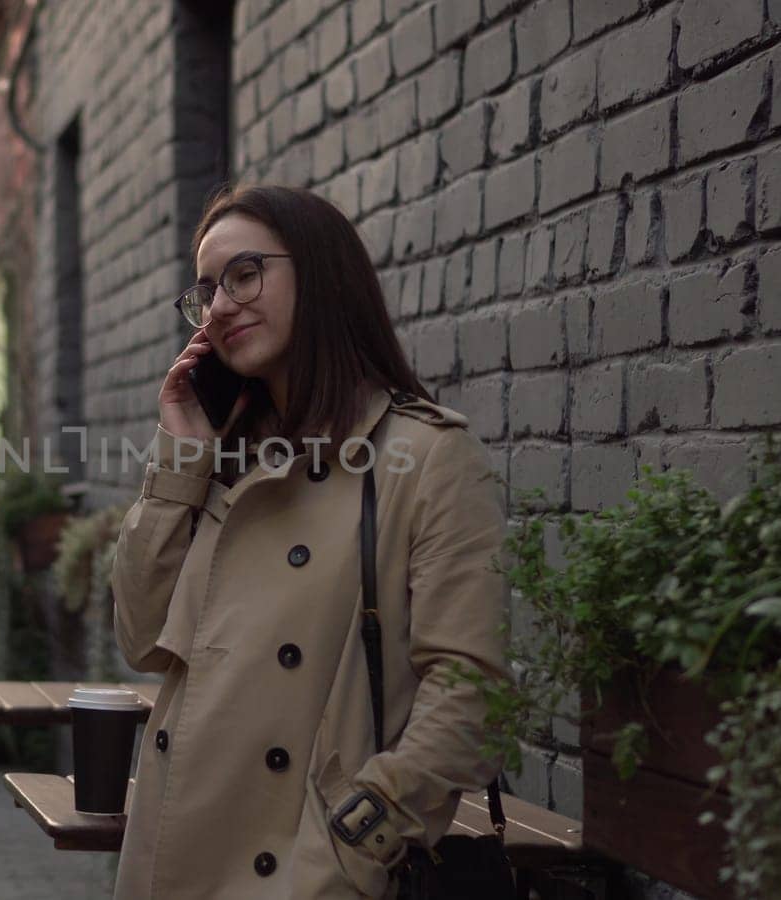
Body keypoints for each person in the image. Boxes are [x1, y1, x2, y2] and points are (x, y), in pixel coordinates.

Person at [109, 184, 511, 899]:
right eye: (207, 290)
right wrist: (178, 457)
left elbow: (469, 687)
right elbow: (141, 639)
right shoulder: (220, 457)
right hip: (177, 853)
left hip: (305, 867)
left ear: (322, 275)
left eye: (244, 274)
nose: (222, 304)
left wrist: (359, 837)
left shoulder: (424, 456)